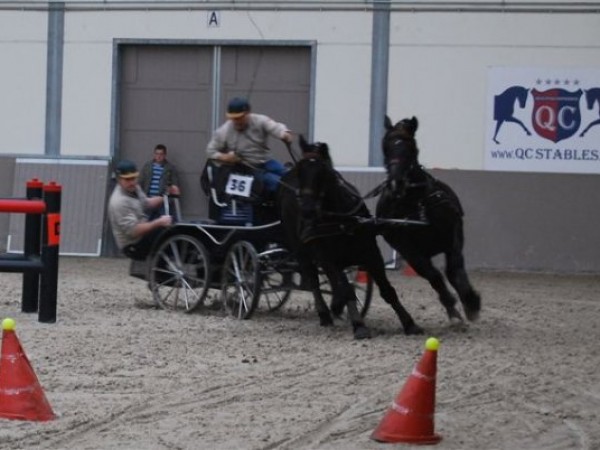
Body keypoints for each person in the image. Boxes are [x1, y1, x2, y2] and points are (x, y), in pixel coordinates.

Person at [205, 97, 292, 192]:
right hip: (246, 168)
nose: (237, 121)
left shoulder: (260, 120)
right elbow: (210, 151)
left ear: (248, 114)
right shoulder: (224, 131)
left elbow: (276, 127)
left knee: (290, 176)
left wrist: (284, 134)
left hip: (266, 161)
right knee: (277, 184)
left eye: (240, 118)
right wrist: (224, 157)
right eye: (233, 118)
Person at [108, 160, 173, 260]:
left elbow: (147, 203)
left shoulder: (135, 188)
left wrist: (166, 195)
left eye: (134, 178)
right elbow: (134, 231)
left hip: (143, 234)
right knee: (168, 233)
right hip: (133, 245)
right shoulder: (119, 202)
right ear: (119, 180)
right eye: (127, 179)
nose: (132, 182)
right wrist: (159, 222)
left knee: (172, 226)